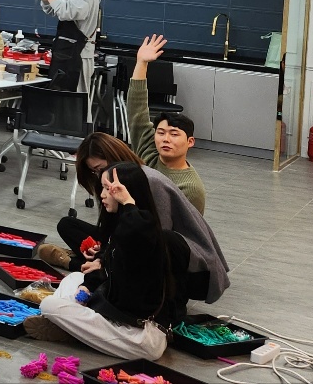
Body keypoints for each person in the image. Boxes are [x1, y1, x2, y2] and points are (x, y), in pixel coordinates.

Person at [43, 132, 229, 304]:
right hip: (140, 244)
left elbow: (152, 243)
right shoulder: (112, 181)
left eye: (99, 168)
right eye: (94, 172)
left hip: (187, 264)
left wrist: (106, 262)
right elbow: (116, 230)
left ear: (113, 157)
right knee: (67, 225)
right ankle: (91, 267)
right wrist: (104, 252)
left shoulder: (150, 181)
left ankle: (76, 264)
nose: (99, 177)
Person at [30, 163, 188, 361]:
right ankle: (71, 327)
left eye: (109, 189)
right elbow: (109, 273)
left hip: (140, 336)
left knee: (49, 305)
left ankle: (69, 328)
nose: (102, 195)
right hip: (116, 318)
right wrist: (91, 280)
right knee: (76, 278)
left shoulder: (143, 231)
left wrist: (128, 201)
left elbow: (135, 232)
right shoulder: (125, 228)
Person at [121, 34, 205, 212]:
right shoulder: (149, 152)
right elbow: (137, 110)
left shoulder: (190, 188)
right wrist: (141, 63)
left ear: (190, 142)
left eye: (174, 134)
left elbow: (188, 227)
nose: (165, 139)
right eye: (160, 133)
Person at [31, 0, 103, 92]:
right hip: (65, 53)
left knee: (75, 98)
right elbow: (52, 8)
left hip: (80, 55)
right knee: (60, 95)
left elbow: (65, 11)